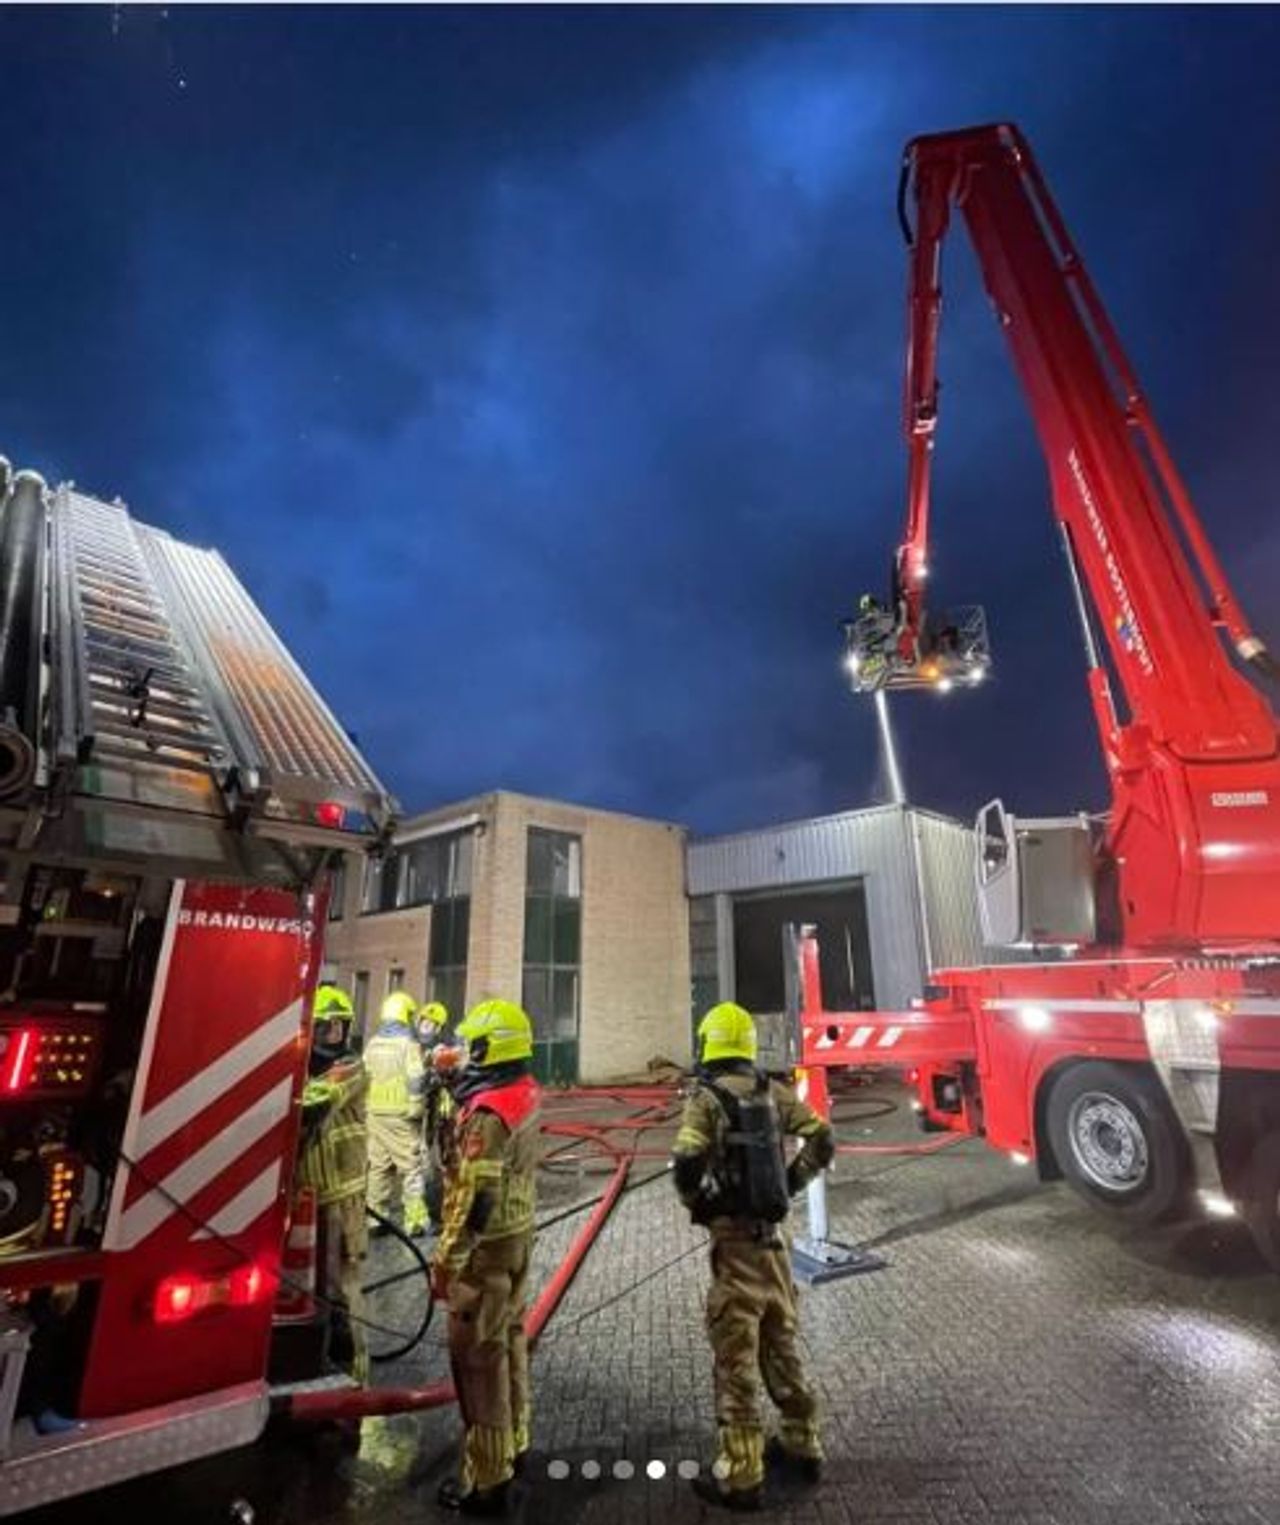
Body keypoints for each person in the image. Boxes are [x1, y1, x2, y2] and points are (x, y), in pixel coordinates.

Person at [671, 1002, 835, 1512]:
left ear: (708, 1043)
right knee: (782, 1344)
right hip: (775, 1247)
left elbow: (686, 1162)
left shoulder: (707, 1099)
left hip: (736, 1249)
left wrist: (700, 1203)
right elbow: (823, 1139)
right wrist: (791, 1182)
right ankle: (802, 1445)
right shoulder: (773, 1091)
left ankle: (741, 1478)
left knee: (736, 1359)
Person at [431, 999, 542, 1517]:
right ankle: (515, 1443)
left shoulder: (488, 1114)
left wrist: (448, 1259)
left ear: (488, 1049)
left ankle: (489, 1480)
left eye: (471, 1045)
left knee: (478, 1362)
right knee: (510, 1342)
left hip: (485, 1250)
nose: (462, 1053)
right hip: (517, 1237)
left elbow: (475, 1200)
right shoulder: (522, 1093)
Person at [296, 980, 369, 1381]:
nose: (334, 1036)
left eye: (340, 1027)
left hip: (343, 1199)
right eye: (325, 1028)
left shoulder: (351, 1068)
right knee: (312, 1289)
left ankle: (354, 1378)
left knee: (345, 1291)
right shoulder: (305, 1071)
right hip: (309, 1199)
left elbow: (315, 1102)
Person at [364, 991, 429, 1237]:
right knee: (411, 1166)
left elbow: (365, 1075)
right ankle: (415, 1221)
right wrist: (417, 1108)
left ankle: (375, 1219)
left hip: (375, 1114)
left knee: (379, 1167)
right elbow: (416, 1078)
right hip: (401, 1115)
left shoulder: (372, 1044)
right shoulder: (408, 1045)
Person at [416, 1001, 452, 1232]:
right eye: (424, 1022)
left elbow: (446, 1079)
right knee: (421, 1165)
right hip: (417, 1114)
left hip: (437, 1116)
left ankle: (437, 1211)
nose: (426, 1027)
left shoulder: (441, 1051)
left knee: (435, 1163)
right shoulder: (411, 1047)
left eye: (432, 1024)